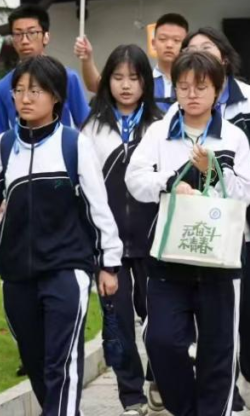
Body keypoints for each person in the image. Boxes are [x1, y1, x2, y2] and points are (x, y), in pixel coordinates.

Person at [0, 55, 123, 416]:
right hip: (17, 277)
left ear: (56, 96)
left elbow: (98, 208)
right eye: (19, 90)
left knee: (61, 362)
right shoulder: (4, 146)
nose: (25, 98)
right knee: (36, 361)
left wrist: (109, 263)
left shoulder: (74, 145)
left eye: (36, 91)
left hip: (67, 270)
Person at [126, 51, 250, 416]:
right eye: (183, 87)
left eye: (201, 87)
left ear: (217, 90)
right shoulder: (159, 132)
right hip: (169, 255)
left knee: (218, 350)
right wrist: (169, 182)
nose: (192, 94)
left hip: (219, 259)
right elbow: (135, 179)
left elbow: (247, 191)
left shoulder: (233, 136)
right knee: (161, 341)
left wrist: (214, 171)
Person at [181, 27, 250, 410]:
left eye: (207, 48)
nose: (199, 54)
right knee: (215, 321)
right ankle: (226, 397)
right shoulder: (182, 109)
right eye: (191, 49)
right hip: (206, 231)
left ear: (225, 57)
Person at [81, 44, 163, 416]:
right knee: (117, 325)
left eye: (134, 78)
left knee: (161, 320)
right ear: (106, 82)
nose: (126, 85)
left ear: (146, 82)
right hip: (109, 246)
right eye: (117, 78)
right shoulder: (92, 128)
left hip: (155, 242)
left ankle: (159, 376)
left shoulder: (161, 126)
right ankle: (130, 396)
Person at [0, 4, 89, 135]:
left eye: (32, 33)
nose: (24, 40)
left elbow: (85, 124)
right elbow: (0, 136)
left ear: (46, 36)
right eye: (18, 34)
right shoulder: (1, 88)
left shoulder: (67, 78)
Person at [75, 14, 189, 111]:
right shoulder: (143, 79)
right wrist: (87, 60)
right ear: (153, 43)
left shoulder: (193, 82)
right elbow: (97, 86)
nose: (169, 45)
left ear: (186, 45)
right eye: (163, 39)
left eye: (176, 40)